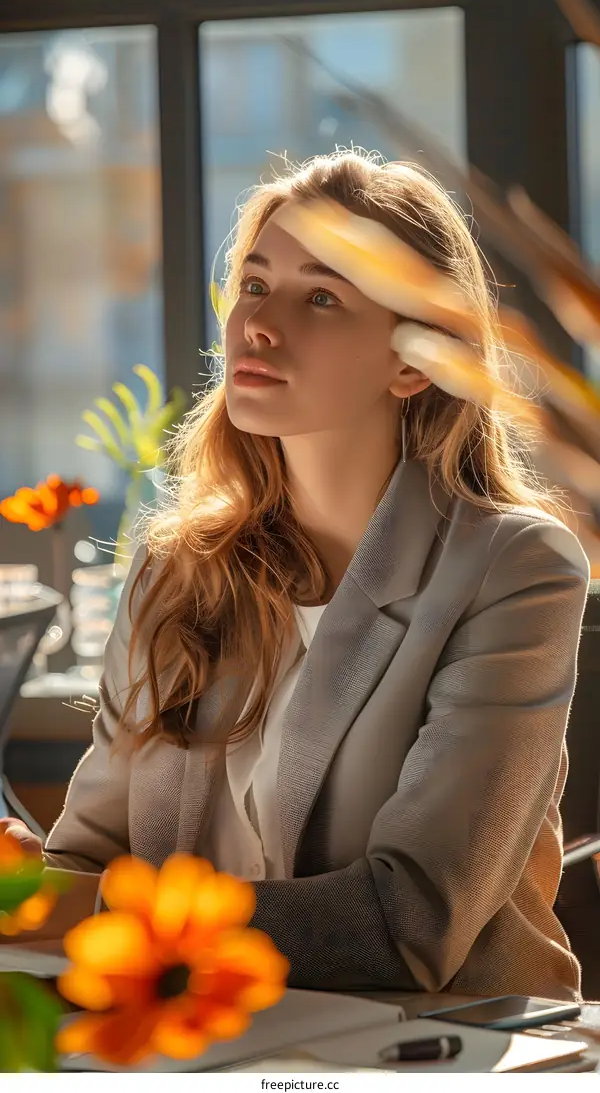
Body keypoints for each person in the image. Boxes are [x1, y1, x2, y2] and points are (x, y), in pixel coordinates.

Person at [1, 150, 589, 1001]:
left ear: (414, 360)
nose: (260, 325)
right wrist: (30, 888)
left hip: (433, 1050)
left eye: (321, 297)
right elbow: (89, 858)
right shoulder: (176, 569)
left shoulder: (513, 567)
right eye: (253, 285)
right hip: (201, 1044)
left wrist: (78, 911)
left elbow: (407, 925)